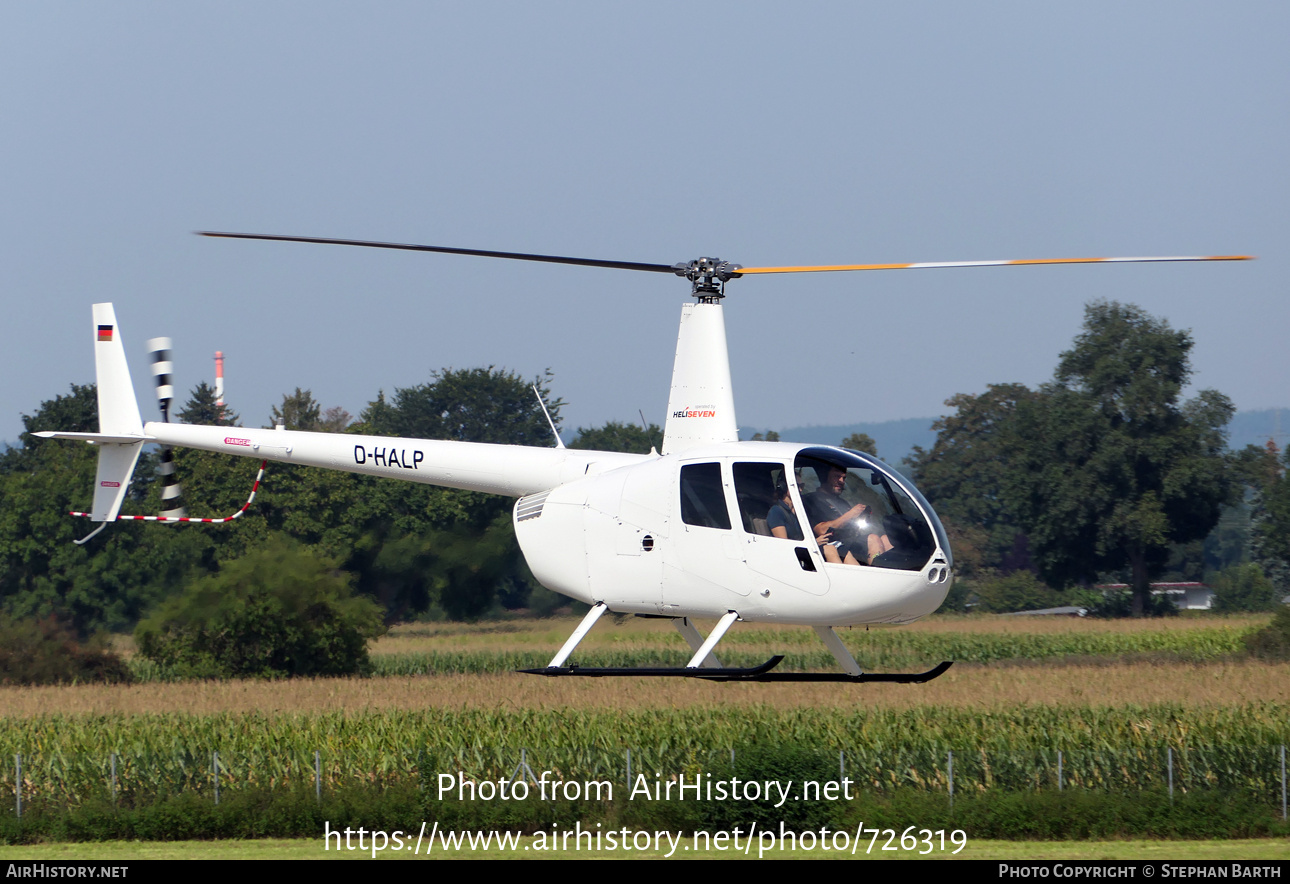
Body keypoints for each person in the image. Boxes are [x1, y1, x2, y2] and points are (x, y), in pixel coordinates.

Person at [803, 464, 890, 564]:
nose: (841, 481)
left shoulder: (842, 502)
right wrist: (851, 514)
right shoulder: (811, 500)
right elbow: (822, 530)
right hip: (834, 546)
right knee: (873, 539)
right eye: (836, 476)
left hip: (850, 542)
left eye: (844, 478)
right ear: (824, 477)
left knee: (886, 540)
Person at [776, 475, 860, 565]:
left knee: (844, 551)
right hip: (795, 557)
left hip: (809, 548)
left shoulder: (798, 510)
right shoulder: (777, 512)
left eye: (802, 486)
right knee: (830, 549)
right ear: (783, 487)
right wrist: (814, 543)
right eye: (796, 486)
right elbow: (785, 548)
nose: (800, 490)